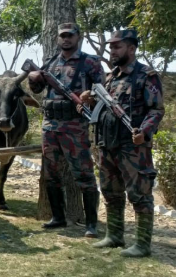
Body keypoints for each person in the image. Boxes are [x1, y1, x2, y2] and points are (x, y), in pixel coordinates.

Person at [81, 29, 164, 258]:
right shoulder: (111, 77)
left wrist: (144, 132)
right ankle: (115, 235)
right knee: (110, 191)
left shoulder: (146, 75)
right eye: (111, 47)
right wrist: (90, 97)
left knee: (139, 194)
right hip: (107, 143)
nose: (112, 50)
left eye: (117, 46)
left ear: (131, 48)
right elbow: (105, 103)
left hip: (133, 146)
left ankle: (142, 244)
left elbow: (156, 109)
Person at [27, 23, 104, 237]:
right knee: (51, 174)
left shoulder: (91, 63)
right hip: (50, 126)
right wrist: (32, 80)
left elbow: (103, 93)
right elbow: (38, 89)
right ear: (57, 38)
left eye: (70, 36)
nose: (66, 39)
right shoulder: (50, 63)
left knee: (84, 174)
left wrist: (88, 96)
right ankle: (58, 217)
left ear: (78, 37)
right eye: (62, 36)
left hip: (75, 127)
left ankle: (91, 223)